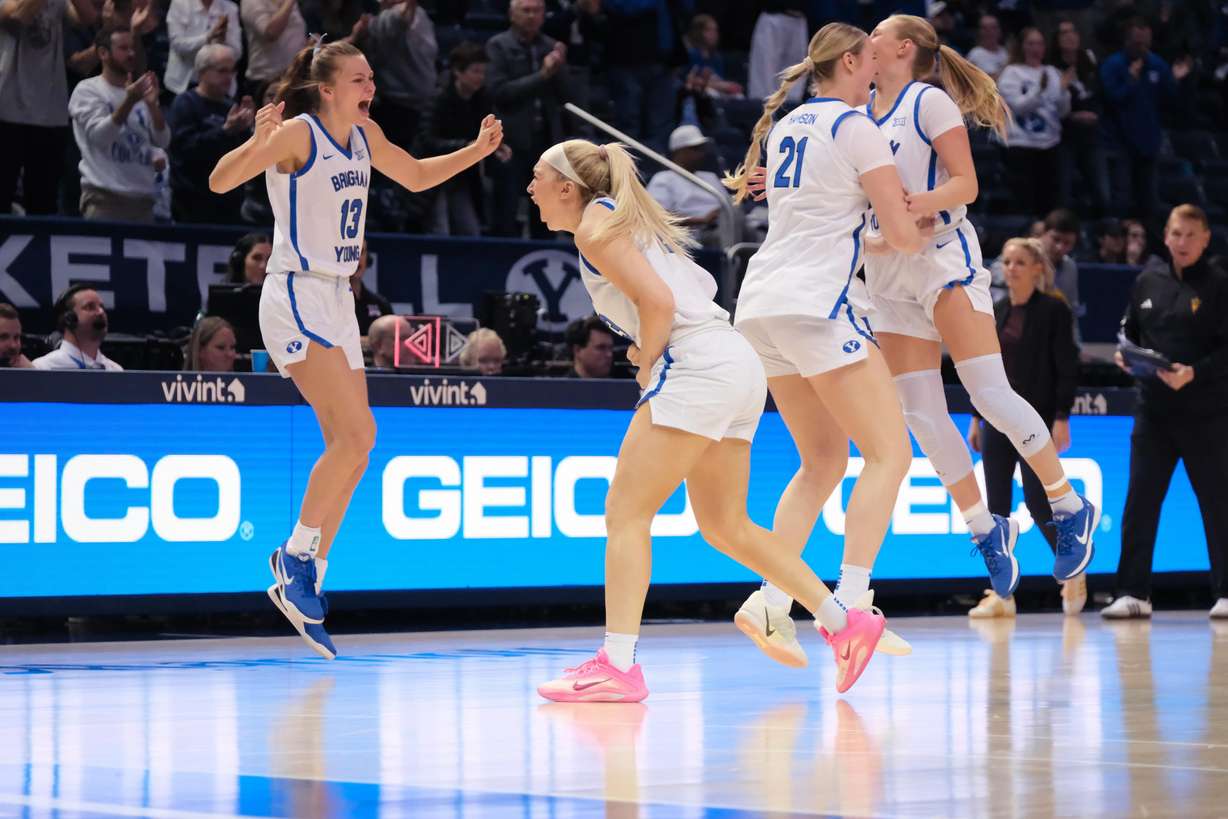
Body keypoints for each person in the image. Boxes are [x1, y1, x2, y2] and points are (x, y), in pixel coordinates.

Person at [529, 135, 886, 702]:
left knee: (625, 512)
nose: (529, 187)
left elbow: (659, 305)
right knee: (725, 526)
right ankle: (846, 624)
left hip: (696, 361)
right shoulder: (612, 219)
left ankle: (617, 665)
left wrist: (645, 360)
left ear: (567, 188)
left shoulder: (597, 229)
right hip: (733, 359)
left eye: (537, 177)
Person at [208, 40, 503, 658]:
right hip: (294, 294)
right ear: (329, 88)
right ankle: (293, 559)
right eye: (360, 77)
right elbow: (219, 180)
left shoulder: (365, 135)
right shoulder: (298, 133)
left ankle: (306, 567)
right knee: (352, 437)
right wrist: (256, 141)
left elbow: (418, 175)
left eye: (373, 76)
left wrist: (475, 152)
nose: (372, 85)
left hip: (340, 300)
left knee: (360, 445)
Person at [862, 14, 1097, 605]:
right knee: (919, 413)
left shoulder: (927, 101)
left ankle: (1068, 506)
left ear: (904, 48)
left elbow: (965, 184)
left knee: (988, 393)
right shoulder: (859, 110)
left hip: (940, 255)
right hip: (887, 269)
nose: (867, 40)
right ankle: (987, 527)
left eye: (877, 33)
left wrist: (916, 207)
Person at [727, 22, 924, 672]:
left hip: (760, 306)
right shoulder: (857, 125)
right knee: (889, 453)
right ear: (849, 61)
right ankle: (853, 603)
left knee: (820, 462)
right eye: (870, 60)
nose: (876, 72)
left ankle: (769, 600)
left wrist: (875, 225)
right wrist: (922, 220)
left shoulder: (788, 126)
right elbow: (897, 235)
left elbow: (831, 218)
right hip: (817, 303)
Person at [1105, 204, 1228, 620]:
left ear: (1206, 238)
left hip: (1207, 414)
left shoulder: (1218, 285)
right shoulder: (1147, 281)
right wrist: (1126, 357)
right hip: (1153, 412)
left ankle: (1226, 593)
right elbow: (1130, 334)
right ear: (1166, 235)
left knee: (1217, 502)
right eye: (1176, 234)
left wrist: (1195, 373)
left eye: (1191, 235)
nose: (1182, 242)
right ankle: (1132, 593)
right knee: (1140, 501)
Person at [966, 238, 1081, 619]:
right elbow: (981, 370)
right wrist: (977, 417)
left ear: (1037, 269)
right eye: (1007, 261)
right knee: (994, 508)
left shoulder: (1053, 311)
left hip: (1036, 418)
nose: (1010, 268)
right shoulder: (995, 310)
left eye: (1019, 262)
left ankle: (1072, 571)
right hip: (996, 420)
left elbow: (1066, 364)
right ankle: (1001, 593)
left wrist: (1061, 416)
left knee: (1037, 500)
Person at [487, 0, 575, 238]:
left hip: (546, 142)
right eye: (525, 10)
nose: (531, 16)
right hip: (511, 142)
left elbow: (567, 96)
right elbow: (499, 93)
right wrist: (543, 75)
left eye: (537, 11)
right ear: (511, 14)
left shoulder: (551, 47)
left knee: (545, 213)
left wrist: (560, 67)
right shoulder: (498, 46)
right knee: (505, 210)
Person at [0, 0, 97, 215]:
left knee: (43, 202)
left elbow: (88, 17)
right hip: (7, 109)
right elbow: (18, 17)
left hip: (49, 111)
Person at [69, 27, 170, 222]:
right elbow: (101, 137)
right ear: (103, 53)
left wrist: (152, 106)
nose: (131, 54)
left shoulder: (141, 93)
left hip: (143, 201)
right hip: (105, 199)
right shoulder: (88, 90)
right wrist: (129, 101)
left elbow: (163, 140)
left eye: (132, 48)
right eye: (123, 48)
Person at [1100, 18, 1188, 219]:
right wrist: (1131, 80)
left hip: (1149, 140)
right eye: (1138, 43)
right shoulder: (1113, 65)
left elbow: (1170, 100)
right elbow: (1111, 99)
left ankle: (1145, 243)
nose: (1143, 48)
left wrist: (1175, 80)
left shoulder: (1157, 64)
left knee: (1149, 199)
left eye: (1146, 43)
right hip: (1118, 141)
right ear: (1127, 41)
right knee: (1120, 197)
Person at [418, 42, 504, 236]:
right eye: (475, 71)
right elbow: (427, 140)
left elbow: (482, 135)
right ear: (458, 71)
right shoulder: (438, 99)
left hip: (462, 175)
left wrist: (498, 145)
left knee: (470, 230)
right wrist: (467, 146)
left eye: (483, 72)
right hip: (431, 174)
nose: (480, 77)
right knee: (438, 229)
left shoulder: (482, 100)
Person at [168, 43, 254, 222]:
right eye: (222, 71)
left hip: (228, 203)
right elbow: (184, 149)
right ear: (202, 71)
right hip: (192, 203)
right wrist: (224, 131)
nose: (228, 77)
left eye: (231, 71)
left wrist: (250, 130)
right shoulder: (186, 103)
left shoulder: (231, 107)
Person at [998, 27, 1071, 218]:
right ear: (1022, 47)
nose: (1035, 48)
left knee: (1050, 201)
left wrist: (1063, 92)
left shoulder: (1052, 72)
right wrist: (1039, 90)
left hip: (1049, 144)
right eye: (1031, 43)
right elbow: (1017, 106)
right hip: (1021, 144)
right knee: (1024, 201)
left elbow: (1063, 112)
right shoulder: (1011, 73)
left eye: (1039, 43)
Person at [1048, 19, 1108, 215]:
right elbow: (1050, 103)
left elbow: (1101, 93)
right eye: (1063, 33)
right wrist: (1073, 115)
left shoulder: (1088, 61)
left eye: (1073, 31)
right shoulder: (1051, 67)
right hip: (1065, 136)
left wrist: (1096, 115)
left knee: (1102, 193)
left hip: (1092, 135)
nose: (1069, 36)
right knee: (1063, 193)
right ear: (1057, 40)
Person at [365, 0, 437, 151]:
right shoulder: (383, 20)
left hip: (421, 103)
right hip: (396, 105)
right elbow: (399, 21)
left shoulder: (420, 15)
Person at [646, 125, 725, 247]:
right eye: (695, 149)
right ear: (679, 151)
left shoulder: (710, 177)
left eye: (702, 148)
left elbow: (729, 207)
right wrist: (702, 220)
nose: (702, 153)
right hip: (690, 236)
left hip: (722, 226)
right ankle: (731, 260)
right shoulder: (663, 179)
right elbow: (657, 216)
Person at [32, 284, 124, 370]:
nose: (100, 312)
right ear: (69, 319)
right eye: (90, 307)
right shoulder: (44, 367)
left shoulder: (115, 370)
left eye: (102, 307)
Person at [164, 0, 242, 96]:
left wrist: (222, 43)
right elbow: (178, 45)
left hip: (220, 87)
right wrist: (208, 37)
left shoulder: (230, 8)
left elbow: (237, 52)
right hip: (183, 84)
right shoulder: (179, 4)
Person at [240, 0, 307, 96]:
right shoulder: (251, 2)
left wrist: (307, 45)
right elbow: (271, 32)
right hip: (266, 80)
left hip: (293, 76)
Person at [349, 242, 391, 335]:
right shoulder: (331, 303)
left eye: (361, 251)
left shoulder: (380, 304)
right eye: (351, 252)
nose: (356, 258)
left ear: (367, 259)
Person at [966, 14, 1007, 79]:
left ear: (999, 31)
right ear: (979, 32)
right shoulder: (974, 54)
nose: (989, 32)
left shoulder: (1005, 52)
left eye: (993, 28)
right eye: (985, 28)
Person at [0, 304, 33, 368]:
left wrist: (31, 373)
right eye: (3, 337)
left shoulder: (26, 369)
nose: (13, 346)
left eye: (16, 337)